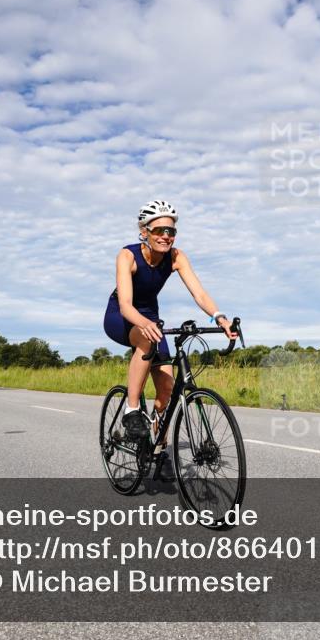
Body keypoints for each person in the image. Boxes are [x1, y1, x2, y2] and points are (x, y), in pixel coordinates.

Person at [103, 199, 236, 481]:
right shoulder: (127, 256)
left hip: (152, 318)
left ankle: (157, 449)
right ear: (144, 231)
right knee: (146, 341)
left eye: (171, 231)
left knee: (166, 388)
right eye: (160, 230)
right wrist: (143, 323)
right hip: (121, 315)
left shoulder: (177, 257)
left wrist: (220, 317)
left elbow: (199, 294)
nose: (166, 236)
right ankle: (132, 409)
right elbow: (126, 305)